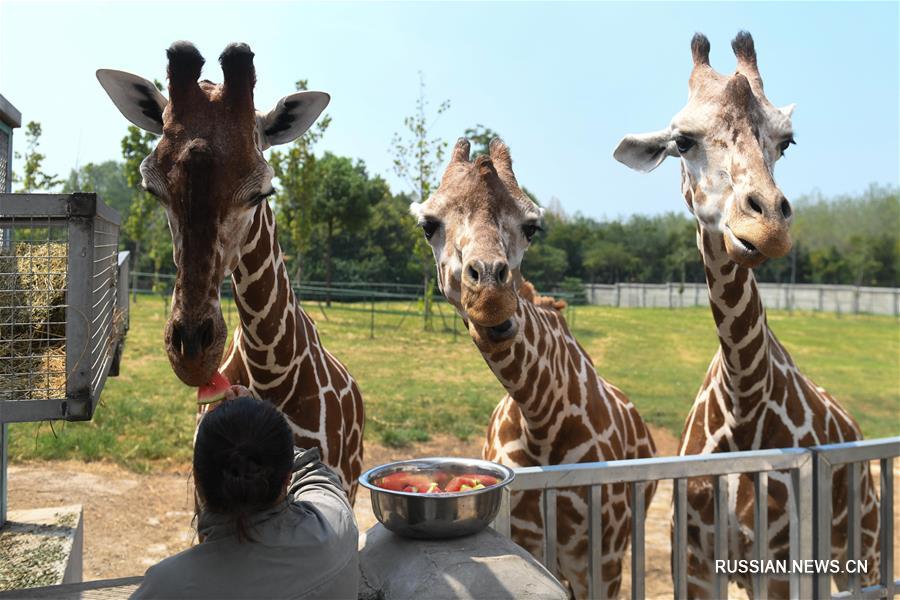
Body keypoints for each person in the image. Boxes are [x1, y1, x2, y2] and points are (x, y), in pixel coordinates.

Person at [132, 387, 358, 599]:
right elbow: (315, 474)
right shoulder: (336, 527)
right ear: (287, 476)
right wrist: (260, 429)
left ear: (197, 480)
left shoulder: (165, 586)